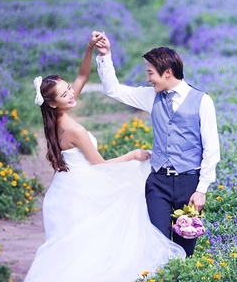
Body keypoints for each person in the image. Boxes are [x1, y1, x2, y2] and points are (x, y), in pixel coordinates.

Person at [0, 32, 185, 282]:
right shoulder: (74, 129)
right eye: (65, 93)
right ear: (53, 102)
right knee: (99, 245)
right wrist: (134, 155)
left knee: (76, 252)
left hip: (66, 191)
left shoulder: (54, 117)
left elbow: (82, 75)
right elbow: (101, 166)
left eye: (68, 89)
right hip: (82, 188)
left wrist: (89, 50)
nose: (72, 92)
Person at [94, 32, 220, 257]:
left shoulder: (203, 101)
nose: (148, 79)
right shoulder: (151, 96)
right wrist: (105, 56)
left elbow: (212, 150)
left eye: (151, 73)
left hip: (189, 183)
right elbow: (114, 90)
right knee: (157, 246)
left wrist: (201, 190)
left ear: (168, 72)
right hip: (158, 182)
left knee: (185, 250)